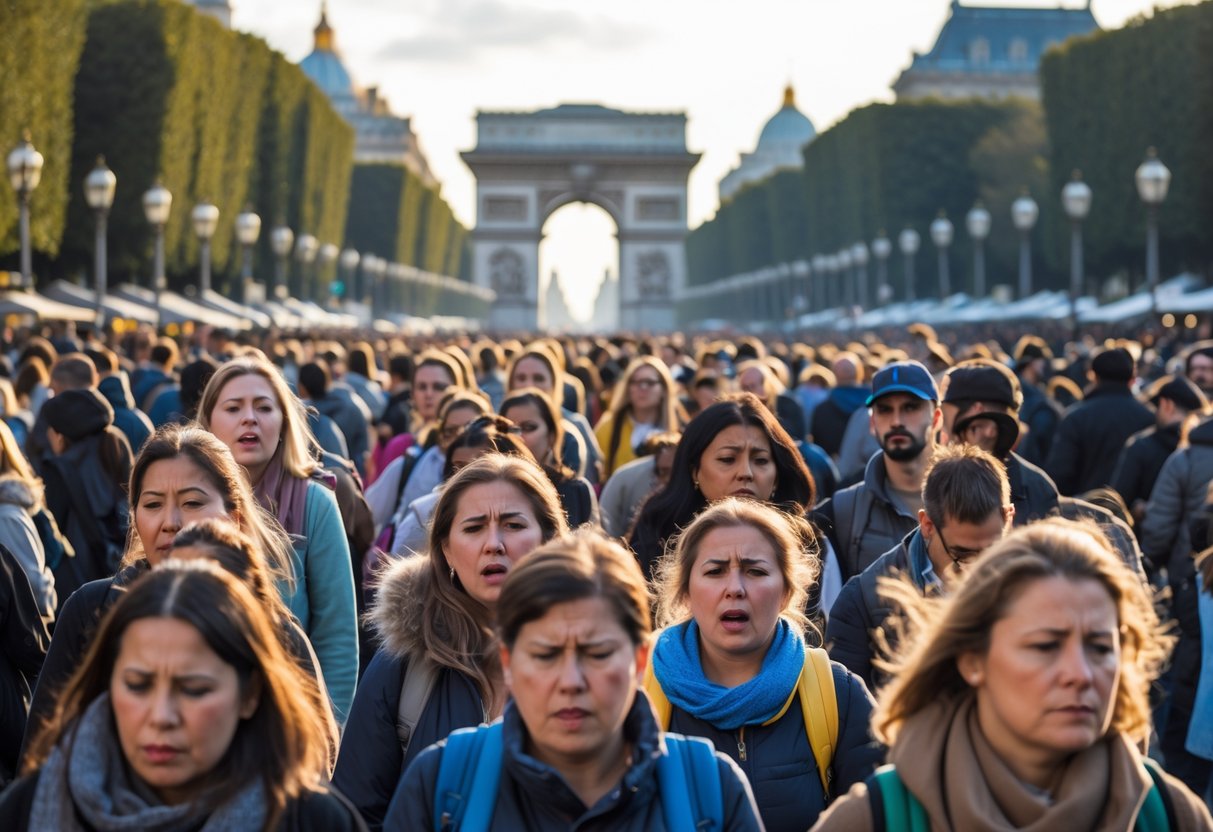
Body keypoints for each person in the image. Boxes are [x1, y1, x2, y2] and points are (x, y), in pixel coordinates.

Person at [811, 518, 1213, 831]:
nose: (1080, 674)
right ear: (972, 659)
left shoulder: (1170, 815)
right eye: (1045, 646)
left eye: (1101, 648)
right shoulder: (880, 818)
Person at [385, 527, 765, 830]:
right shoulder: (441, 785)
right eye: (545, 655)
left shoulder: (711, 790)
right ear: (509, 663)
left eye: (597, 654)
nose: (570, 681)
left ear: (639, 661)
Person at [2, 560, 362, 830]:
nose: (161, 716)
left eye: (194, 689)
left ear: (250, 693)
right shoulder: (30, 808)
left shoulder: (313, 820)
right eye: (137, 685)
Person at [22, 424, 298, 751]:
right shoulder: (89, 610)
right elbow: (40, 752)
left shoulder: (275, 633)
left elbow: (308, 760)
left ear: (233, 518)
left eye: (192, 503)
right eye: (153, 505)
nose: (170, 522)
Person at [333, 455, 569, 831]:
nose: (494, 544)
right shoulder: (405, 662)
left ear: (549, 539)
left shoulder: (592, 659)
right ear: (446, 550)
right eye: (474, 528)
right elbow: (356, 813)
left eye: (513, 525)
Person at [647, 498, 880, 830]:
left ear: (786, 591)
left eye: (755, 571)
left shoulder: (838, 693)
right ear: (685, 592)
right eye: (715, 571)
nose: (735, 588)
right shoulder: (637, 692)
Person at [198, 358, 359, 724]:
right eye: (233, 408)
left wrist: (326, 734)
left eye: (264, 407)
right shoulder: (187, 499)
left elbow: (337, 639)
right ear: (207, 423)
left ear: (284, 422)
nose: (249, 418)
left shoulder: (314, 503)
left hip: (288, 722)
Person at [827, 444, 1014, 692]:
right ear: (927, 524)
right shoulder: (862, 601)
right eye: (962, 554)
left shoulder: (1032, 588)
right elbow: (846, 707)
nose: (979, 569)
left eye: (991, 552)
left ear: (1008, 516)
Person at [629, 392, 816, 580]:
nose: (746, 473)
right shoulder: (656, 536)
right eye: (727, 459)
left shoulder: (808, 548)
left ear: (777, 475)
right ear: (694, 470)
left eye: (760, 460)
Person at [814, 360, 940, 581]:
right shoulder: (842, 511)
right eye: (884, 409)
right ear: (872, 423)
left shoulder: (968, 496)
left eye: (910, 407)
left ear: (936, 418)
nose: (896, 421)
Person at [39, 388, 132, 597]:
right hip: (124, 570)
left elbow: (53, 531)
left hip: (80, 581)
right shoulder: (117, 444)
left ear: (60, 434)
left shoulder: (58, 468)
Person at [1047, 346, 1154, 496]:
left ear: (1094, 376)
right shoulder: (1149, 417)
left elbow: (1059, 475)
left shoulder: (1076, 417)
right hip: (1130, 507)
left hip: (1083, 505)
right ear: (1132, 378)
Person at [1113, 375, 1208, 524]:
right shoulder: (1203, 450)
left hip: (1145, 532)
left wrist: (1139, 509)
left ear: (1167, 404)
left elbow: (1118, 500)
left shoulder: (1142, 446)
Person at [500, 390, 599, 527]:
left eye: (529, 427)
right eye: (510, 430)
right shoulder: (487, 489)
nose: (518, 437)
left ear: (552, 435)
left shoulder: (577, 491)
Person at [595, 356, 683, 481]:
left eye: (650, 382)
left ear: (664, 389)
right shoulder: (609, 426)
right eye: (636, 382)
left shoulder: (678, 431)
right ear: (628, 388)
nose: (643, 388)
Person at [598, 431, 680, 537]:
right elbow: (607, 528)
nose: (668, 479)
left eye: (676, 471)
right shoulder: (625, 480)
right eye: (663, 472)